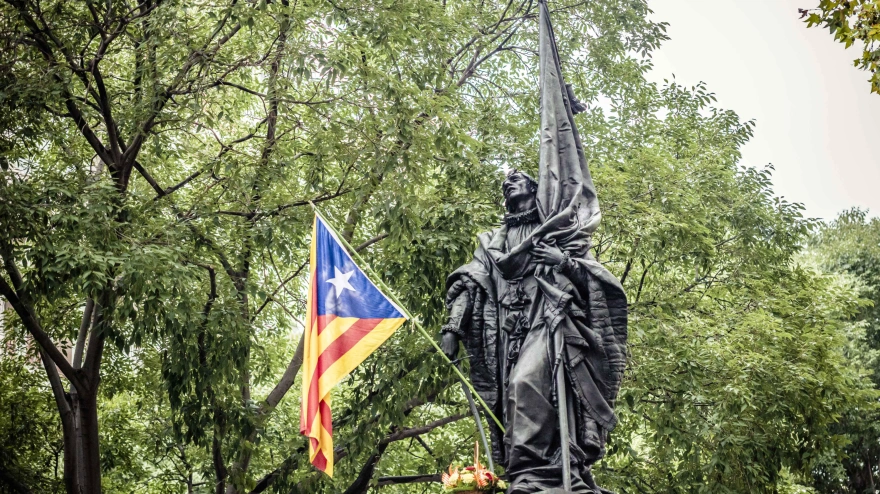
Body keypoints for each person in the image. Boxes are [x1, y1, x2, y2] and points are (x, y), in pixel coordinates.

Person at [440, 169, 627, 494]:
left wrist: (563, 261)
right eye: (505, 182)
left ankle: (554, 472)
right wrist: (453, 329)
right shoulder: (491, 243)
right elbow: (470, 283)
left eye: (517, 178)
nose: (508, 182)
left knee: (525, 383)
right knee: (513, 399)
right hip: (506, 335)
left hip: (549, 324)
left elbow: (596, 283)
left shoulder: (556, 234)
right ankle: (528, 474)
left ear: (535, 188)